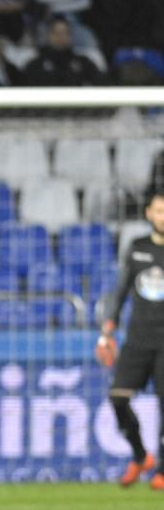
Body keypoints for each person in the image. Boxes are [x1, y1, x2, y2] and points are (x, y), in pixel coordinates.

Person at [95, 190, 164, 490]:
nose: (163, 216)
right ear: (148, 214)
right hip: (137, 340)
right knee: (118, 399)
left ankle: (161, 470)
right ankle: (140, 456)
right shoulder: (136, 248)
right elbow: (120, 291)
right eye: (159, 210)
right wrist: (107, 330)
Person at [22, 15, 103, 86]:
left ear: (71, 36)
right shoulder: (35, 66)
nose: (61, 37)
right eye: (56, 33)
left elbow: (103, 84)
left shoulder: (83, 62)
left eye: (65, 33)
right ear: (48, 36)